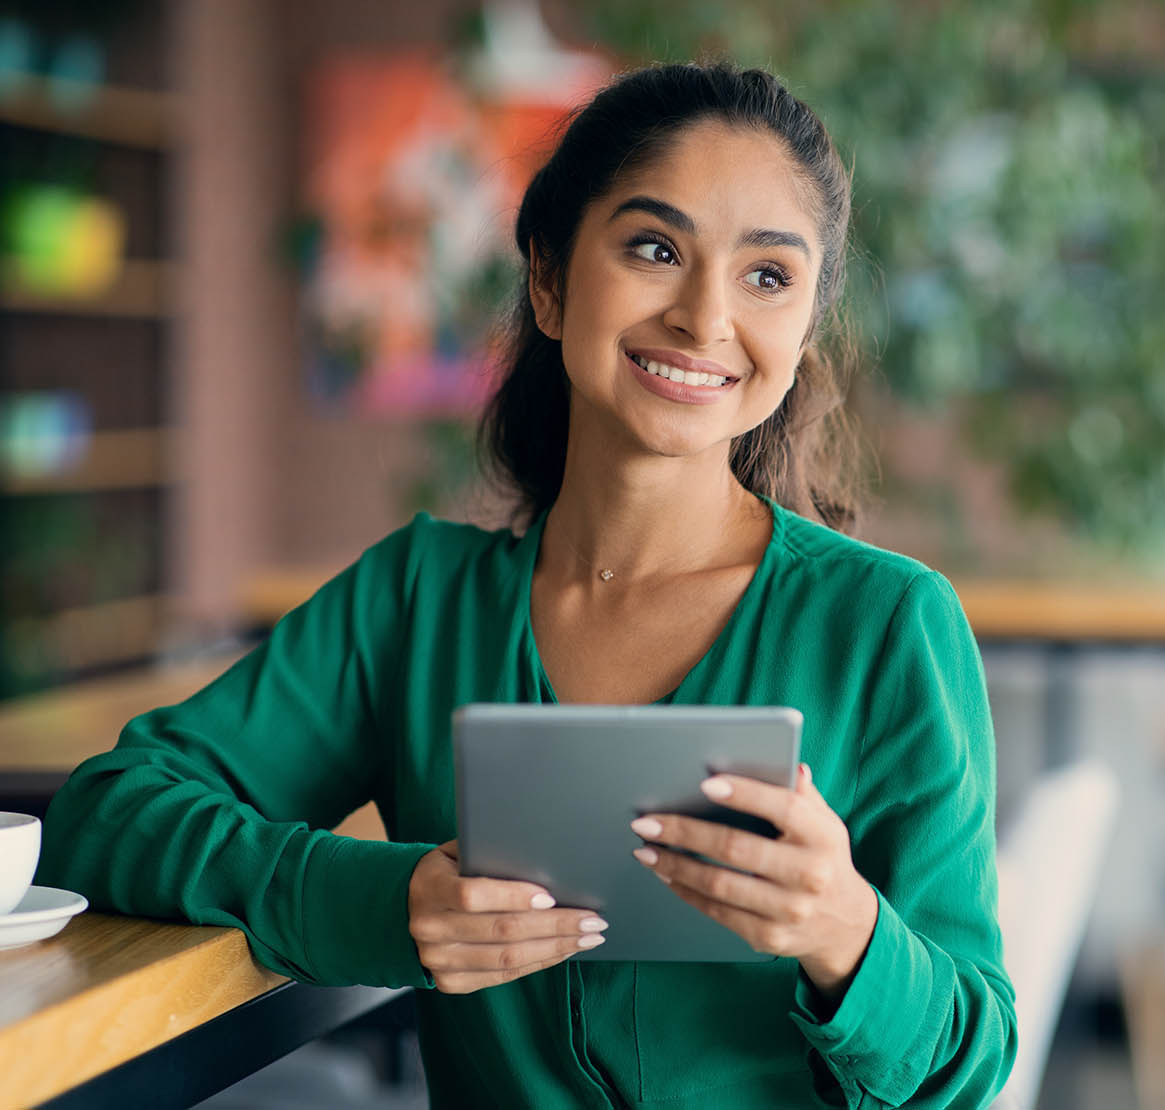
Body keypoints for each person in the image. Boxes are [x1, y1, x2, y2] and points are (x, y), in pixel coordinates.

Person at [38, 62, 1016, 1108]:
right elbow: (109, 813)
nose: (702, 316)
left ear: (804, 328)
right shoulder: (417, 602)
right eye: (654, 248)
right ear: (548, 281)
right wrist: (383, 901)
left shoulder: (887, 625)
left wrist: (847, 933)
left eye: (767, 276)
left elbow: (975, 1058)